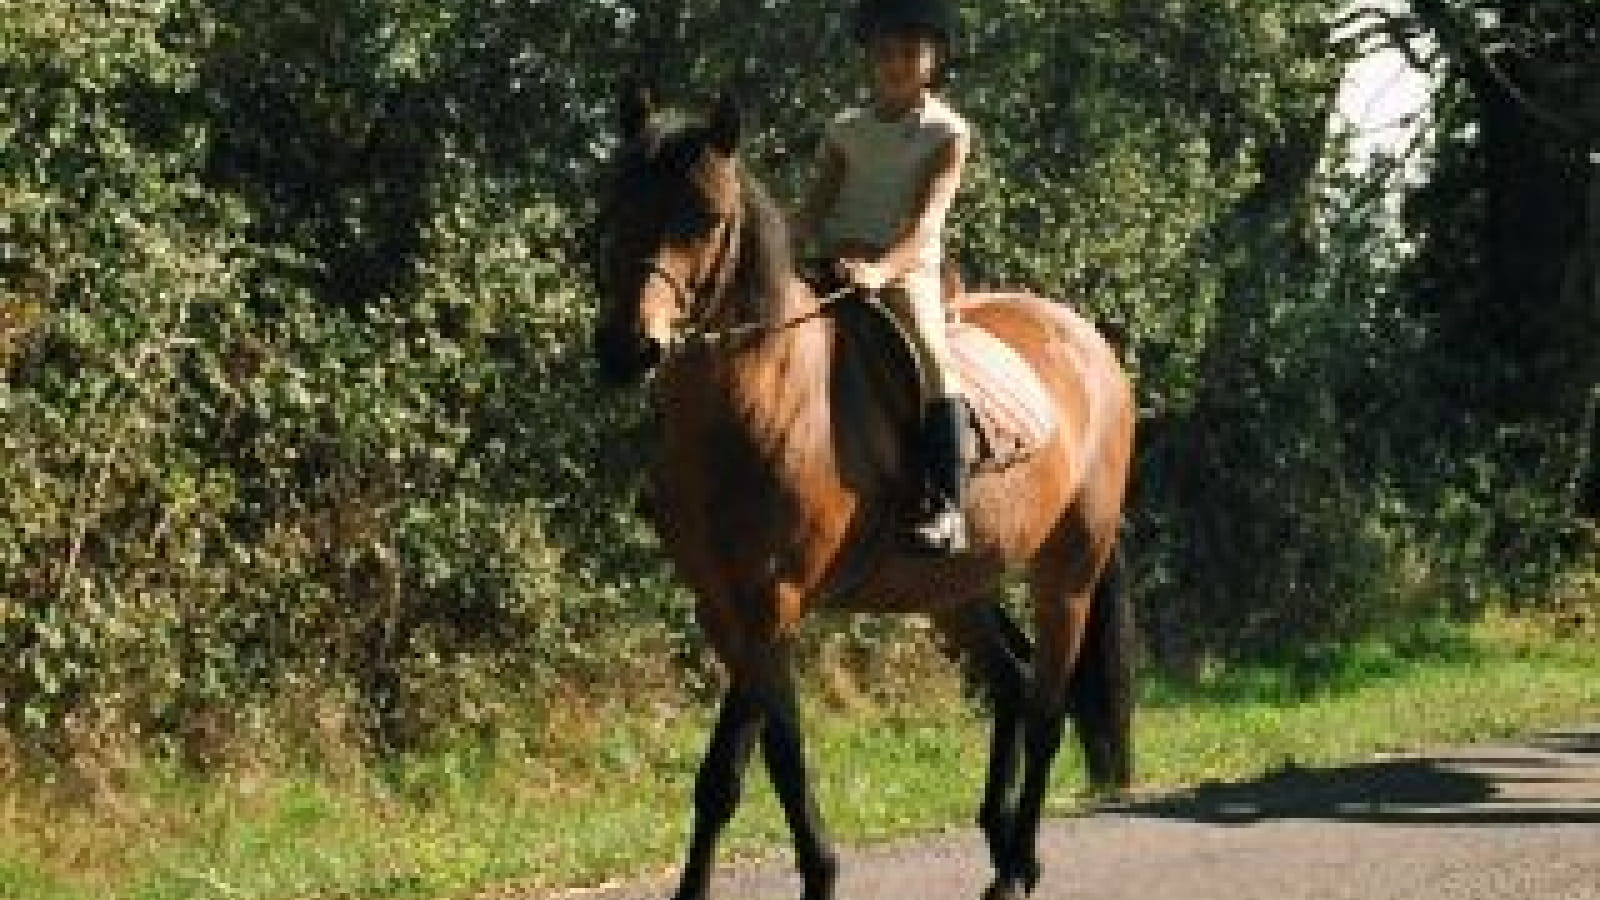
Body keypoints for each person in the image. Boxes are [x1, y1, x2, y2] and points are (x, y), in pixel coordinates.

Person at [794, 0, 972, 554]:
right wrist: (776, 245)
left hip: (902, 270)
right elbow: (813, 209)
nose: (895, 63)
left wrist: (881, 270)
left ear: (934, 58)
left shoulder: (947, 131)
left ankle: (946, 506)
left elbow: (926, 222)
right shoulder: (844, 131)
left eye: (909, 53)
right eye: (884, 53)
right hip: (834, 263)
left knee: (933, 360)